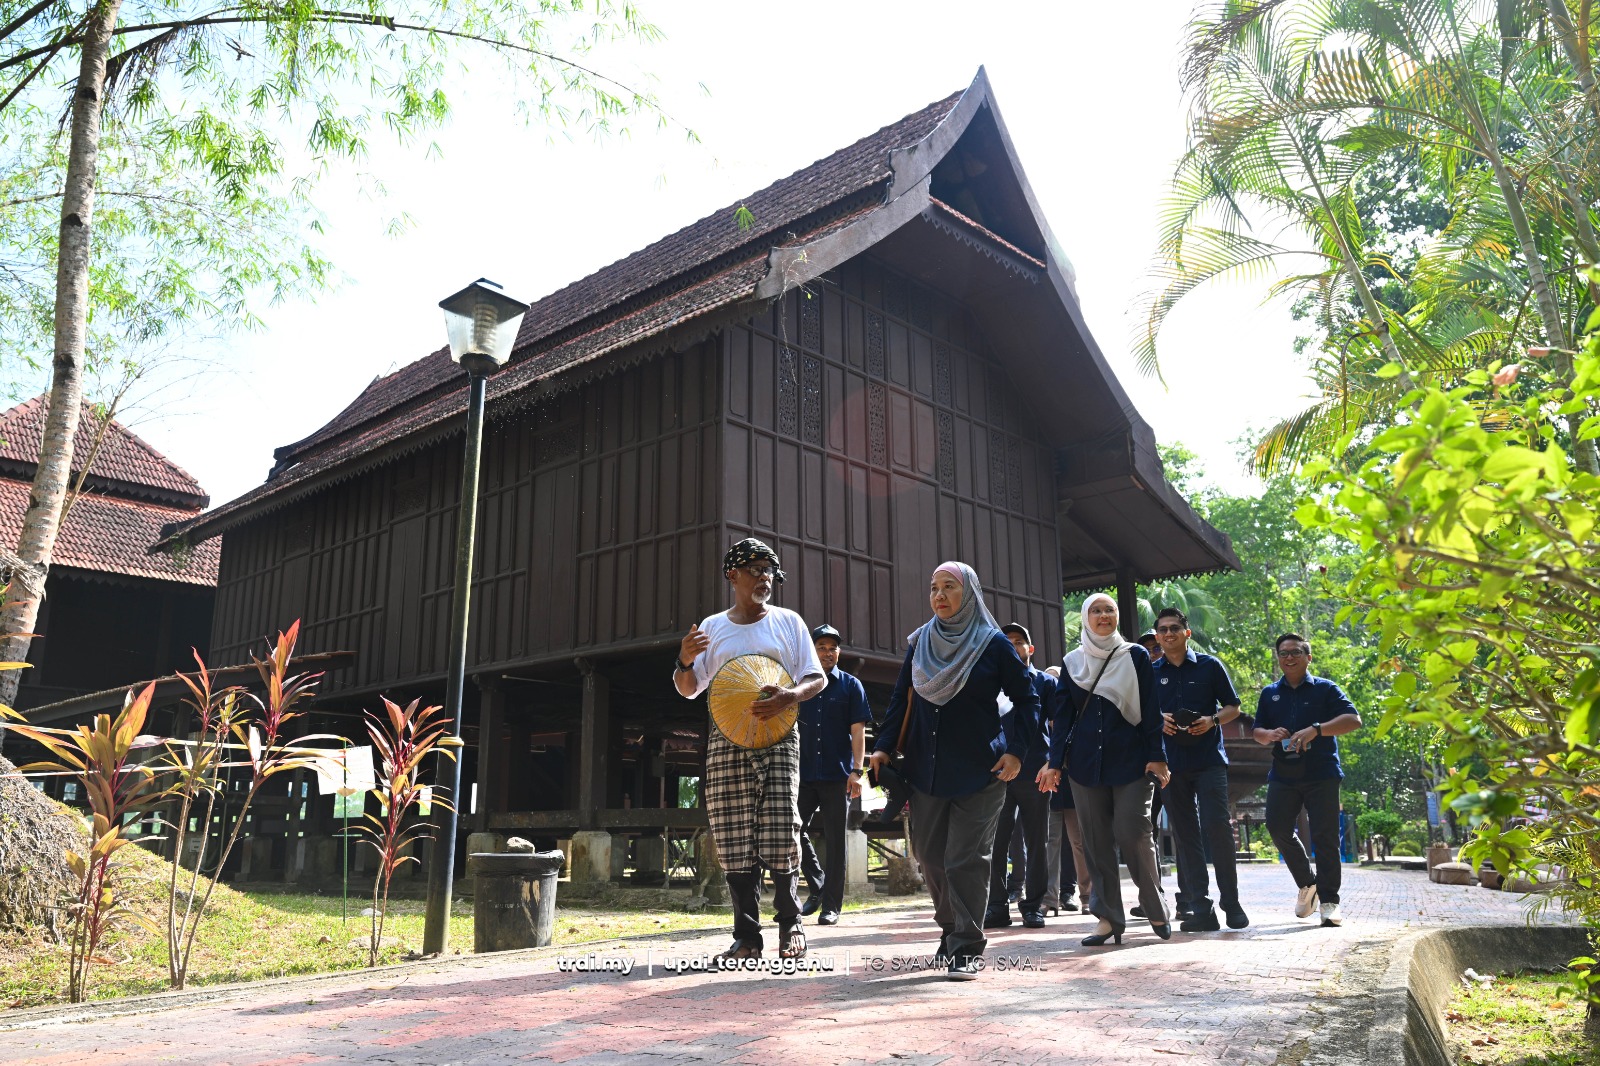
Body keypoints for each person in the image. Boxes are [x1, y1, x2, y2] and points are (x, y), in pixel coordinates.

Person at [867, 562, 1039, 980]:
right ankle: (951, 930)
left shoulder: (992, 644)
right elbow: (900, 699)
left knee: (965, 858)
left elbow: (1029, 699)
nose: (939, 595)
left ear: (970, 594)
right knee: (929, 856)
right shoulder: (920, 642)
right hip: (925, 770)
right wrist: (883, 747)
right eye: (933, 588)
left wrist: (1017, 753)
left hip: (983, 770)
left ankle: (967, 944)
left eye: (949, 587)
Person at [674, 538, 827, 961]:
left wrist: (789, 696)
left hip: (778, 737)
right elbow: (689, 690)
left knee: (781, 825)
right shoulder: (712, 627)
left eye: (769, 571)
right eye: (755, 569)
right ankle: (746, 936)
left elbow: (817, 678)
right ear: (733, 575)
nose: (764, 577)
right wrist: (684, 661)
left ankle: (791, 924)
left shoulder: (788, 622)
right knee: (731, 831)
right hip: (726, 739)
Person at [1037, 593, 1170, 946]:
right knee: (1094, 842)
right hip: (1084, 765)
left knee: (1133, 831)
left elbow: (1152, 708)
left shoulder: (1136, 655)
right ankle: (1108, 918)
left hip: (1132, 761)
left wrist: (1158, 755)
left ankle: (1153, 901)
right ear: (1085, 618)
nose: (1103, 615)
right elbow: (1062, 717)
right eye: (1095, 611)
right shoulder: (1072, 661)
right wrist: (1054, 763)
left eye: (1109, 609)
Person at [1252, 632, 1363, 927]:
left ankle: (1329, 902)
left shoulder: (1326, 689)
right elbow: (1257, 731)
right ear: (1278, 659)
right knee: (1277, 828)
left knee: (1325, 838)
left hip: (1321, 773)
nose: (1289, 658)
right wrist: (1270, 735)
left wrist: (1316, 729)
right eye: (1283, 653)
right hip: (1283, 774)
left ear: (1308, 657)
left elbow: (1353, 720)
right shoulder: (1269, 693)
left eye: (1295, 652)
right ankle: (1307, 883)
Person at [1151, 607, 1248, 932]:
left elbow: (1234, 707)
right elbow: (1138, 714)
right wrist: (1156, 720)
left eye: (1174, 628)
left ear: (1186, 632)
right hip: (1171, 766)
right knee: (1185, 836)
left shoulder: (1210, 666)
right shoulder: (1151, 673)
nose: (1168, 634)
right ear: (1158, 636)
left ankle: (1231, 903)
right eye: (1163, 630)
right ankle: (1200, 909)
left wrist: (1213, 721)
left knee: (1217, 828)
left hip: (1209, 762)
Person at [796, 623, 871, 926]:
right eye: (821, 647)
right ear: (812, 651)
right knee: (791, 831)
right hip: (801, 774)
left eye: (832, 648)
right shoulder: (799, 684)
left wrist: (857, 771)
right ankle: (817, 885)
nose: (828, 652)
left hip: (837, 775)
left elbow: (858, 732)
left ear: (838, 652)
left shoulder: (851, 686)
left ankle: (831, 907)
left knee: (836, 841)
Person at [984, 622, 1056, 929]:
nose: (1013, 646)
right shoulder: (989, 683)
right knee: (995, 842)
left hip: (1035, 771)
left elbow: (1061, 725)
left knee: (1037, 840)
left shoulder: (1045, 684)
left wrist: (1054, 762)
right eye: (1007, 642)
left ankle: (1033, 905)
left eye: (1019, 642)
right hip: (997, 774)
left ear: (1031, 649)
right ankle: (997, 905)